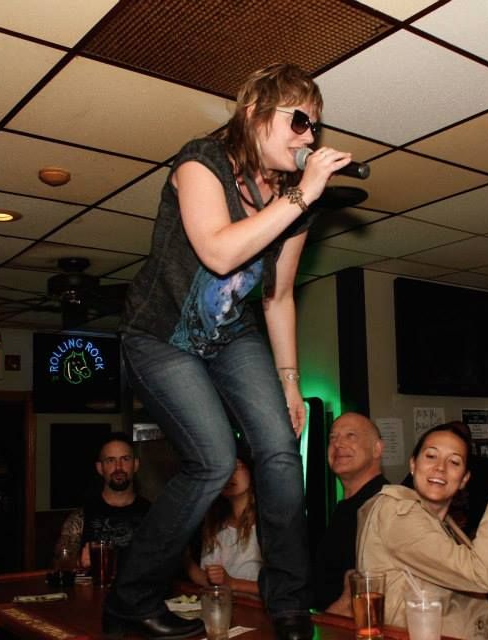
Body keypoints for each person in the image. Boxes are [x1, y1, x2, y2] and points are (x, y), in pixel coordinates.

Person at [108, 62, 352, 640]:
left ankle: (288, 601)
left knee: (281, 449)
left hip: (229, 334)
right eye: (298, 120)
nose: (308, 136)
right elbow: (219, 252)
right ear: (254, 113)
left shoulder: (293, 201)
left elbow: (278, 295)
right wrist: (303, 194)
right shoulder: (202, 161)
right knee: (214, 461)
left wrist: (290, 381)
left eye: (315, 126)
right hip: (160, 334)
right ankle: (131, 600)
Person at [356, 423, 488, 640]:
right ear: (413, 465)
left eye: (454, 462)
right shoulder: (396, 512)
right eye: (431, 456)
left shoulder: (445, 527)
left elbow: (455, 615)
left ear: (464, 479)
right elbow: (482, 575)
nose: (440, 467)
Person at [312, 412, 389, 613]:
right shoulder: (344, 507)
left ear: (377, 449)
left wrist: (328, 619)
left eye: (350, 436)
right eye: (333, 438)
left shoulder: (386, 505)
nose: (338, 444)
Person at [55, 433, 151, 570]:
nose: (118, 467)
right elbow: (59, 564)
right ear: (100, 468)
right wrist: (79, 562)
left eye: (125, 459)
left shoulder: (153, 514)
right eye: (110, 460)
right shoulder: (81, 516)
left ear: (135, 465)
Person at [186, 457, 261, 596]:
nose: (230, 474)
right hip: (223, 605)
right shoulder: (214, 524)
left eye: (237, 467)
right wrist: (184, 558)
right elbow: (213, 582)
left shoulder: (268, 525)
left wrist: (233, 583)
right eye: (224, 468)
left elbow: (284, 588)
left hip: (256, 607)